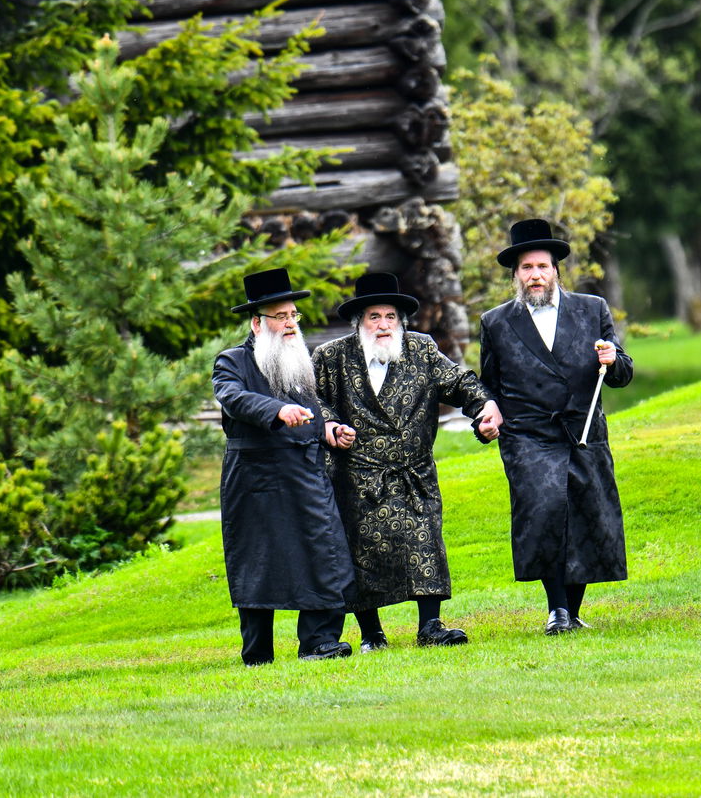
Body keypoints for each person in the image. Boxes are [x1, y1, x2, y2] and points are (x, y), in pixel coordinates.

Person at [313, 272, 503, 652]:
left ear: (401, 321)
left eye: (390, 317)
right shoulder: (331, 356)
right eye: (374, 317)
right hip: (358, 476)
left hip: (412, 472)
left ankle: (430, 625)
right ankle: (371, 633)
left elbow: (460, 381)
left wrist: (486, 406)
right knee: (361, 553)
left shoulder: (422, 349)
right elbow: (314, 401)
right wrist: (330, 425)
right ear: (360, 322)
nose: (383, 325)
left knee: (425, 542)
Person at [478, 219, 633, 635]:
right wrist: (488, 410)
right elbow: (488, 384)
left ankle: (574, 609)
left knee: (584, 513)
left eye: (542, 267)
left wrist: (611, 360)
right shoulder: (495, 322)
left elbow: (622, 372)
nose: (535, 275)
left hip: (582, 431)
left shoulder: (592, 309)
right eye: (527, 268)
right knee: (546, 511)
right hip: (528, 436)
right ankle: (557, 609)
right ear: (515, 275)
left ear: (556, 271)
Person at [211, 267, 356, 665]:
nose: (291, 323)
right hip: (255, 482)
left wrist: (328, 429)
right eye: (282, 316)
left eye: (294, 315)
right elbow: (234, 399)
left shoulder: (297, 359)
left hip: (306, 475)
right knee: (258, 565)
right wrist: (277, 411)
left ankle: (320, 643)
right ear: (258, 322)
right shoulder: (232, 362)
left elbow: (310, 411)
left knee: (326, 555)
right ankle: (257, 653)